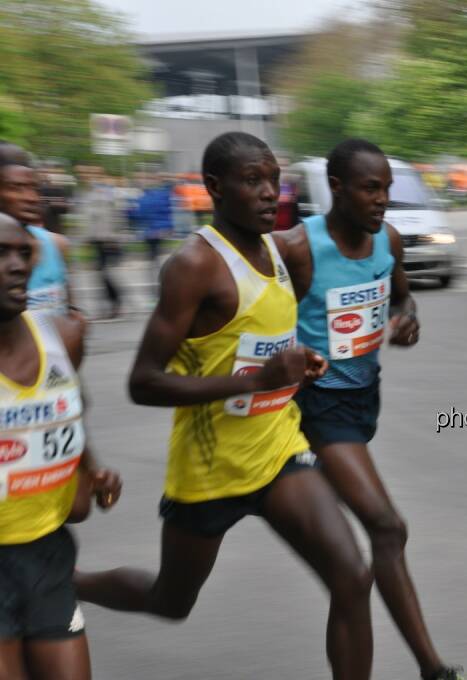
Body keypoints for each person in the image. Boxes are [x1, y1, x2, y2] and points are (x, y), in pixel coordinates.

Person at [73, 132, 374, 680]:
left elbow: (259, 341)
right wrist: (259, 378)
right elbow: (143, 382)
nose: (268, 193)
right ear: (214, 187)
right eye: (252, 180)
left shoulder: (278, 252)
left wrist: (299, 361)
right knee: (171, 599)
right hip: (211, 470)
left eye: (274, 180)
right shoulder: (194, 265)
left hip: (280, 450)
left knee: (352, 574)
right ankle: (67, 583)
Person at [274, 138, 464, 680]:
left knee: (348, 568)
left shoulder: (390, 241)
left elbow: (402, 296)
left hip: (362, 402)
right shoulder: (297, 248)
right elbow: (252, 308)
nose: (382, 200)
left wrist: (407, 319)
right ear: (335, 188)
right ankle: (433, 668)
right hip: (315, 409)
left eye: (386, 188)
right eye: (370, 188)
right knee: (387, 527)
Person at [0, 211, 122, 680]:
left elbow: (71, 409)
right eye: (1, 254)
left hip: (48, 553)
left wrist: (92, 470)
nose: (16, 265)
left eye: (23, 253)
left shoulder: (61, 335)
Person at [0, 152, 74, 314]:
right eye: (16, 188)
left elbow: (70, 313)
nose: (32, 198)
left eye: (34, 188)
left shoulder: (56, 244)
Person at [76, 169, 125, 319]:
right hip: (96, 240)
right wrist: (86, 238)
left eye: (91, 176)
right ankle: (110, 304)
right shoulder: (88, 195)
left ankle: (116, 300)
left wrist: (113, 238)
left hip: (107, 240)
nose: (88, 178)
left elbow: (115, 217)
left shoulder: (107, 195)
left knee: (104, 273)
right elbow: (89, 219)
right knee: (100, 274)